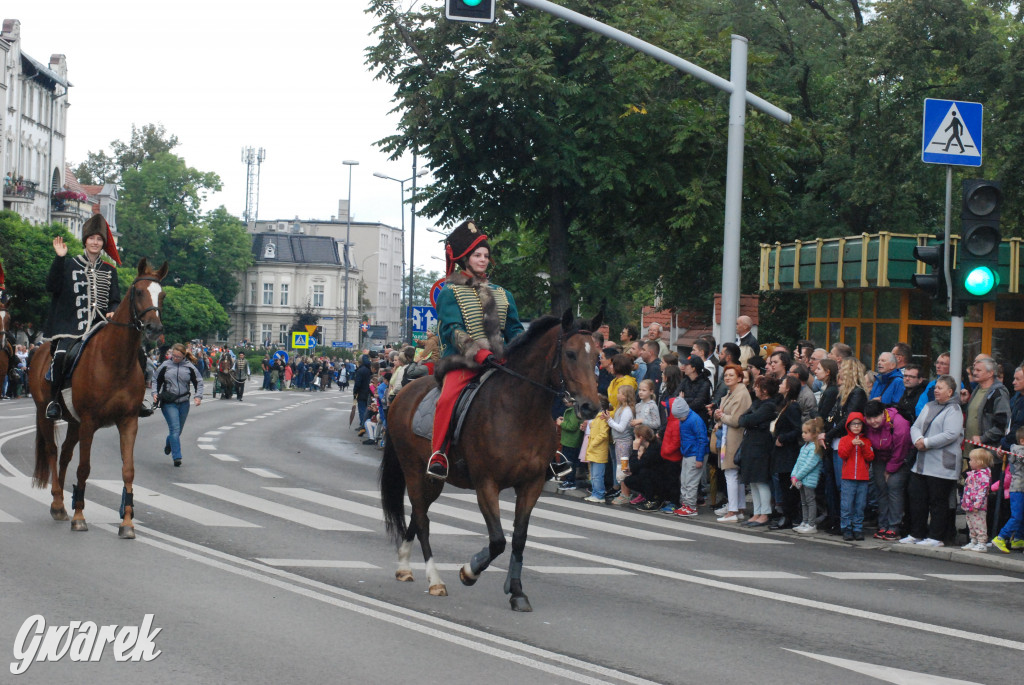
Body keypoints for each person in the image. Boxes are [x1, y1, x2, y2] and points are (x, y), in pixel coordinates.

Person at [427, 221, 525, 480]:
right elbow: (452, 329)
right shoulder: (451, 291)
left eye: (485, 255)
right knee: (447, 398)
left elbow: (514, 330)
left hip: (501, 361)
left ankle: (549, 452)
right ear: (465, 260)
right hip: (464, 361)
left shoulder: (504, 294)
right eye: (477, 255)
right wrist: (478, 352)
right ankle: (439, 453)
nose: (483, 260)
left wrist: (521, 349)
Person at [43, 216, 123, 420]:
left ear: (103, 243)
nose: (95, 242)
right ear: (85, 240)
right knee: (60, 356)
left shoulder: (109, 270)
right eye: (92, 238)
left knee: (129, 351)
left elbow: (115, 298)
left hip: (101, 326)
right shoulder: (70, 264)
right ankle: (54, 401)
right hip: (72, 326)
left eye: (99, 239)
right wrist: (59, 258)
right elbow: (51, 286)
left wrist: (113, 309)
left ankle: (130, 398)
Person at [903, 375, 964, 547]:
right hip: (922, 463)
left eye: (940, 388)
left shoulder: (954, 409)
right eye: (936, 387)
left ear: (950, 391)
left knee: (938, 502)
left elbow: (951, 434)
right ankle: (916, 533)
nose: (936, 390)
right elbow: (915, 426)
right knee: (917, 498)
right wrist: (917, 440)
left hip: (941, 465)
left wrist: (926, 443)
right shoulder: (929, 406)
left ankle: (936, 537)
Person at [863, 400, 912, 541]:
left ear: (883, 414)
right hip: (879, 459)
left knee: (894, 487)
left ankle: (894, 526)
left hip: (898, 459)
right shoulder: (866, 424)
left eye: (876, 417)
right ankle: (883, 524)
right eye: (869, 418)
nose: (873, 421)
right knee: (881, 489)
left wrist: (890, 470)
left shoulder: (898, 423)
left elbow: (901, 450)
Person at [154, 343, 204, 467]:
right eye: (173, 356)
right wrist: (155, 393)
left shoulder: (189, 367)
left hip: (184, 402)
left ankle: (169, 442)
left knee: (178, 431)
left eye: (178, 357)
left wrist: (198, 396)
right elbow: (156, 379)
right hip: (169, 402)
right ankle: (177, 457)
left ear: (183, 357)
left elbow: (199, 381)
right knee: (175, 429)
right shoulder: (165, 366)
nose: (175, 359)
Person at [739, 375, 780, 527]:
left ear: (764, 390)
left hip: (761, 446)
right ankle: (756, 512)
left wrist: (751, 421)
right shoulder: (757, 403)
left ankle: (765, 513)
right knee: (753, 481)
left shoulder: (769, 405)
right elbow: (742, 419)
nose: (754, 388)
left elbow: (750, 419)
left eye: (757, 386)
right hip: (751, 444)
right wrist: (751, 421)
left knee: (761, 480)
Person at [713, 364, 751, 523]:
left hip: (735, 437)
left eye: (731, 375)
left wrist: (721, 416)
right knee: (735, 474)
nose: (727, 377)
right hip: (729, 436)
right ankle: (739, 508)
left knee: (731, 472)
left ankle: (733, 510)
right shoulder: (732, 393)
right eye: (726, 375)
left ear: (739, 378)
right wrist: (719, 416)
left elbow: (736, 419)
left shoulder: (740, 394)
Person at [670, 394, 710, 517]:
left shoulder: (694, 420)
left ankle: (691, 506)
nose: (679, 419)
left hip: (695, 453)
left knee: (691, 481)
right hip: (688, 453)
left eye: (680, 417)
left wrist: (699, 458)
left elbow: (702, 439)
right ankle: (685, 504)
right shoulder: (686, 418)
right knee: (685, 480)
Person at [837, 412, 874, 541]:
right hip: (848, 478)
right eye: (854, 424)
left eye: (859, 424)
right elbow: (842, 454)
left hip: (863, 478)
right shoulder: (844, 439)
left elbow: (870, 457)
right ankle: (846, 528)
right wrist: (852, 444)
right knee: (847, 505)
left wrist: (863, 447)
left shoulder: (866, 441)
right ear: (849, 425)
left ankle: (857, 528)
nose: (856, 427)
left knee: (860, 505)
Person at [992, 427, 1024, 553]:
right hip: (1018, 489)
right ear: (1022, 441)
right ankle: (1001, 537)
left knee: (1021, 515)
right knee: (1016, 516)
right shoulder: (1020, 451)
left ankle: (1018, 538)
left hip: (1020, 488)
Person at [792, 418, 824, 534]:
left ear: (814, 434)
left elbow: (808, 465)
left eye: (806, 433)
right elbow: (798, 463)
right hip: (801, 479)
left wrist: (797, 476)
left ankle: (811, 523)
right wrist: (793, 475)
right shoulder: (804, 447)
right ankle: (804, 521)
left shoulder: (815, 449)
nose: (803, 435)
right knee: (804, 501)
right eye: (803, 432)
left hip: (809, 480)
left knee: (810, 501)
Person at [607, 385, 636, 505]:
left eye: (621, 394)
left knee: (623, 467)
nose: (618, 395)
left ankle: (625, 493)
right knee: (620, 466)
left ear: (627, 396)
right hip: (618, 441)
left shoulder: (627, 411)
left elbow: (621, 427)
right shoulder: (620, 408)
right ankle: (623, 492)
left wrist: (609, 420)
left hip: (624, 442)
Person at [960, 448, 992, 552]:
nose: (969, 462)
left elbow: (982, 491)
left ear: (979, 462)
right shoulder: (973, 474)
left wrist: (977, 505)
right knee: (971, 523)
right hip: (969, 504)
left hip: (977, 506)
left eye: (971, 460)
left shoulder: (983, 476)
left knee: (979, 524)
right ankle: (973, 540)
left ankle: (982, 543)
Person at [582, 397, 611, 503]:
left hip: (598, 450)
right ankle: (595, 492)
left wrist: (593, 443)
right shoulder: (597, 417)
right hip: (594, 450)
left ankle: (599, 494)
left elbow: (603, 434)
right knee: (593, 475)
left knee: (598, 475)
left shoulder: (602, 418)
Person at [556, 403, 584, 491]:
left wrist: (561, 424)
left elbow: (573, 426)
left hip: (571, 441)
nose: (564, 401)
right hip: (568, 440)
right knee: (566, 460)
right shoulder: (573, 410)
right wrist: (565, 420)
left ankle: (570, 481)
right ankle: (568, 480)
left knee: (569, 461)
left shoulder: (574, 411)